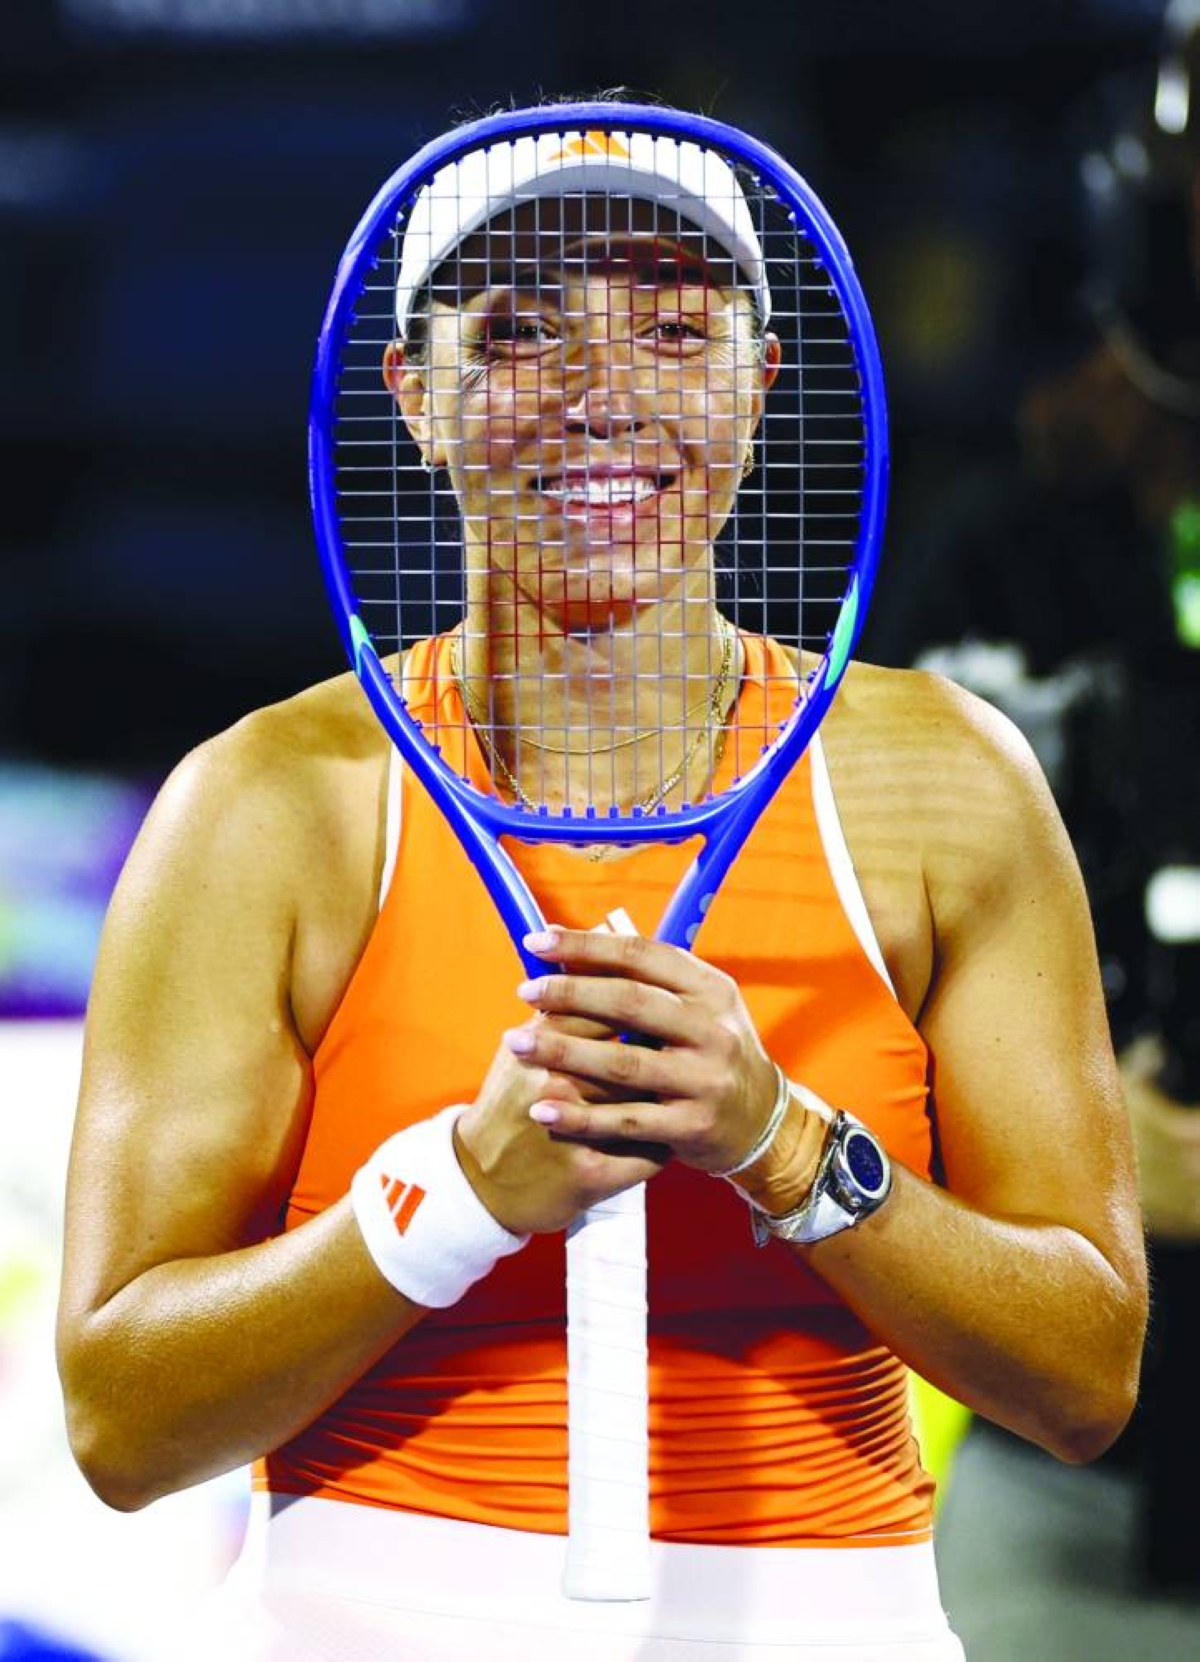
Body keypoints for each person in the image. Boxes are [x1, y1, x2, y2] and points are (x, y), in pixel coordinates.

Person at [55, 108, 1148, 1662]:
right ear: (415, 400)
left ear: (761, 391)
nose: (602, 396)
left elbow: (1085, 1375)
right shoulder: (265, 809)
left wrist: (782, 1143)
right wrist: (456, 1195)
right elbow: (119, 1419)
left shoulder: (943, 784)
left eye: (675, 328)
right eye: (518, 334)